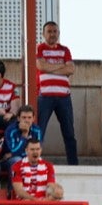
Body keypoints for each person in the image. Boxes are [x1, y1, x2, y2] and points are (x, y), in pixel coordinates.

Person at [35, 21, 79, 165]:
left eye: (55, 31)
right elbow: (40, 66)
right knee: (39, 132)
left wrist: (49, 67)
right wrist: (62, 66)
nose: (52, 34)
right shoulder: (40, 48)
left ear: (58, 33)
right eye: (49, 31)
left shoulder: (65, 50)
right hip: (44, 97)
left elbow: (71, 69)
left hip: (64, 98)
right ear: (43, 34)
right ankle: (35, 163)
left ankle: (74, 165)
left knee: (69, 133)